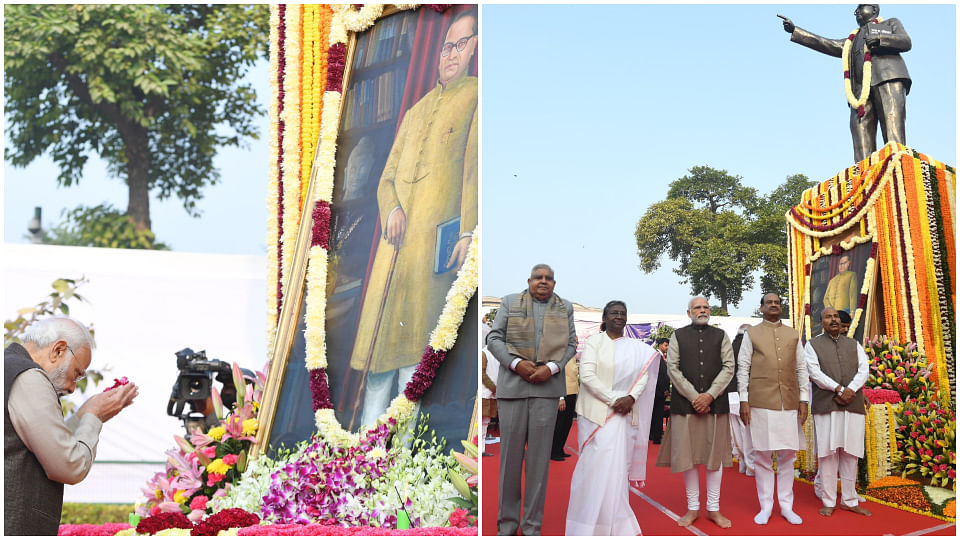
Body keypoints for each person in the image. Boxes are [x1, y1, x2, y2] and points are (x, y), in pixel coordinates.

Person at [349, 8, 478, 429]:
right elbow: (385, 179)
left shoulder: (477, 97)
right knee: (378, 360)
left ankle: (400, 461)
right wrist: (394, 209)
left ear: (476, 49)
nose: (450, 54)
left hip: (431, 249)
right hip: (395, 248)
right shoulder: (416, 110)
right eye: (446, 46)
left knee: (413, 363)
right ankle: (364, 456)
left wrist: (468, 232)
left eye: (461, 44)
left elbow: (475, 171)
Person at [5, 317, 139, 535]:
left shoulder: (8, 368)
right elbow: (69, 465)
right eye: (77, 374)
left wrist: (81, 416)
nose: (71, 388)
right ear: (58, 350)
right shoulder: (28, 376)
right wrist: (94, 417)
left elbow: (43, 442)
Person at [487, 264, 577, 536]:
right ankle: (507, 525)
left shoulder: (565, 308)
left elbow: (571, 344)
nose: (543, 281)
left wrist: (550, 368)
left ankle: (532, 527)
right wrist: (516, 363)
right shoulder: (510, 302)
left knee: (539, 464)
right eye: (538, 277)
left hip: (546, 390)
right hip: (513, 389)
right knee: (510, 463)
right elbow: (494, 338)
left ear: (554, 283)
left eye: (549, 278)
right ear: (529, 281)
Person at [565, 301, 659, 535]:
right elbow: (587, 376)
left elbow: (643, 377)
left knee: (617, 469)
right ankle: (587, 524)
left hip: (624, 414)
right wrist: (614, 400)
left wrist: (630, 398)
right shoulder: (595, 343)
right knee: (594, 468)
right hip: (598, 415)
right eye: (614, 313)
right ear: (605, 318)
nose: (619, 316)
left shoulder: (636, 347)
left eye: (622, 313)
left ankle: (615, 523)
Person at [780, 4, 912, 163]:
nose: (856, 12)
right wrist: (796, 31)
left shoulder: (890, 23)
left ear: (875, 10)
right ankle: (863, 180)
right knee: (861, 141)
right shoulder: (852, 40)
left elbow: (905, 41)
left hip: (887, 79)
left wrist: (879, 40)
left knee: (893, 133)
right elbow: (829, 44)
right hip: (859, 92)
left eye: (861, 7)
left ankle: (898, 170)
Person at [655, 296, 735, 529]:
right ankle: (693, 508)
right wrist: (695, 397)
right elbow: (673, 368)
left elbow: (729, 367)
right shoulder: (677, 336)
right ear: (688, 312)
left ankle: (713, 508)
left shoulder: (721, 336)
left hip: (716, 405)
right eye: (697, 307)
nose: (702, 310)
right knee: (688, 458)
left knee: (714, 459)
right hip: (685, 406)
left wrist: (710, 395)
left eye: (705, 307)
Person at [738, 293, 809, 525]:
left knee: (788, 455)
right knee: (763, 456)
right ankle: (766, 505)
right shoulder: (752, 334)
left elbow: (801, 368)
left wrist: (804, 400)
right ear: (761, 308)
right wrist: (743, 400)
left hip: (788, 402)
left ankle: (787, 506)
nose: (774, 305)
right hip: (760, 402)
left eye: (777, 302)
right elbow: (743, 368)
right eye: (769, 303)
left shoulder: (792, 334)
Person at [805, 307, 873, 517]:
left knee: (851, 453)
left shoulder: (854, 344)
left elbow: (864, 369)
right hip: (827, 405)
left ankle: (850, 500)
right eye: (828, 317)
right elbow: (814, 372)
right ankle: (828, 500)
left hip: (852, 404)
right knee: (827, 453)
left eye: (836, 316)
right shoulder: (812, 345)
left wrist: (851, 389)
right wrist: (839, 389)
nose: (833, 319)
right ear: (821, 322)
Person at [728, 323, 755, 476]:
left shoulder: (731, 346)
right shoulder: (746, 347)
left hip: (730, 392)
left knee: (736, 431)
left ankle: (743, 463)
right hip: (742, 393)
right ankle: (750, 466)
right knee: (747, 430)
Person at [550, 352, 579, 461]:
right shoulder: (560, 354)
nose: (576, 342)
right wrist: (560, 397)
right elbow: (557, 376)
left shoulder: (572, 355)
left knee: (567, 423)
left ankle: (560, 448)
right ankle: (553, 451)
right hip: (563, 392)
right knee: (559, 424)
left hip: (572, 392)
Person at [649, 337, 671, 444]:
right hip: (658, 391)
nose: (667, 347)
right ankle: (656, 436)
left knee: (656, 414)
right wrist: (665, 390)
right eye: (666, 345)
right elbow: (659, 375)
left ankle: (654, 435)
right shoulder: (657, 356)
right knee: (657, 414)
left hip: (658, 391)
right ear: (660, 345)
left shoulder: (662, 357)